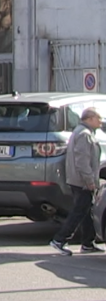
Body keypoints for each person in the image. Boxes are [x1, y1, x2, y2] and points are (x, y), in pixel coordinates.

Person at [49, 107, 104, 255]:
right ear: (89, 119)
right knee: (79, 212)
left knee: (87, 211)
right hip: (82, 181)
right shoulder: (84, 135)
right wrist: (90, 180)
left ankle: (88, 242)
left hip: (78, 180)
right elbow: (82, 161)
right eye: (98, 118)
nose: (101, 121)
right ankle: (60, 239)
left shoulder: (81, 132)